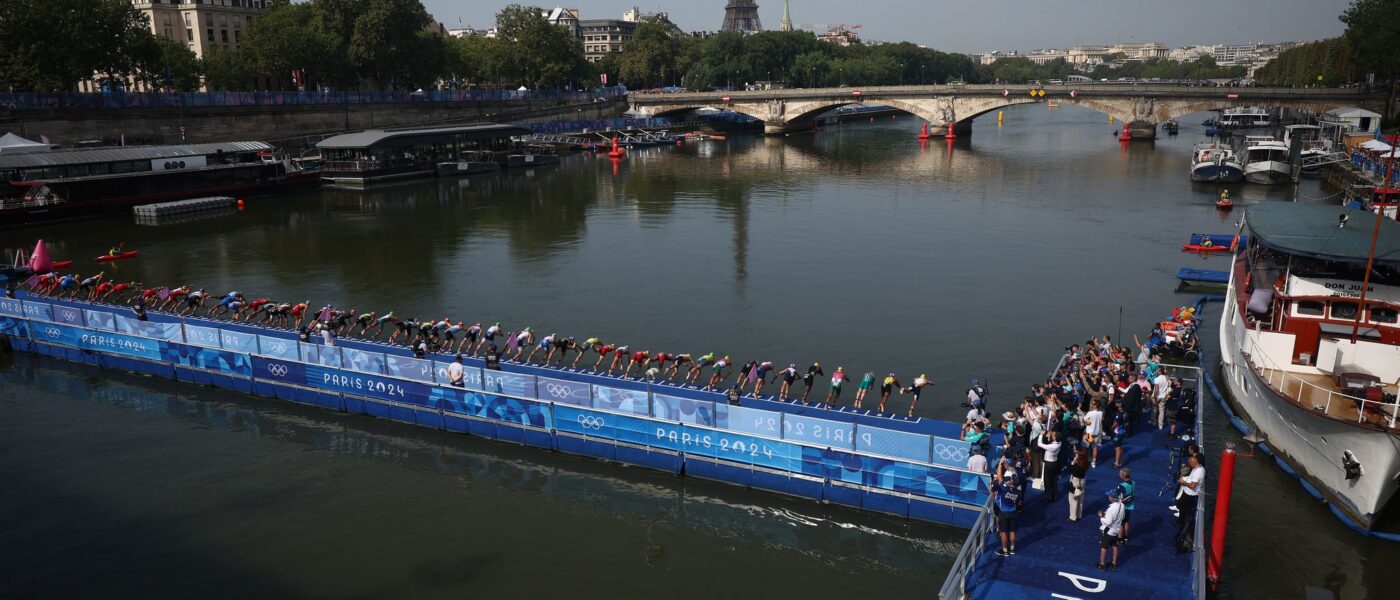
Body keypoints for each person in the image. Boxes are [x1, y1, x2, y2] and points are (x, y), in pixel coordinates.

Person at [992, 470, 1021, 556]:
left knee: (1003, 532)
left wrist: (1000, 463)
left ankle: (1005, 550)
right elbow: (1019, 503)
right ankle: (1012, 549)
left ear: (1011, 481)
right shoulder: (1018, 493)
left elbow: (999, 478)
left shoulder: (1004, 488)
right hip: (1013, 512)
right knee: (1012, 531)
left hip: (1003, 513)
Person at [1174, 454, 1205, 537]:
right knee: (1180, 506)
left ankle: (1182, 528)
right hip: (1186, 492)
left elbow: (1193, 486)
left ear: (1197, 461)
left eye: (1191, 461)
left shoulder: (1199, 472)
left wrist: (1183, 482)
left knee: (1185, 511)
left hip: (1190, 495)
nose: (1190, 463)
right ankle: (1179, 521)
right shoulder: (1196, 468)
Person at [1097, 488, 1125, 570]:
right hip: (1116, 530)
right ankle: (1114, 563)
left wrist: (1101, 517)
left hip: (1107, 531)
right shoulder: (1122, 505)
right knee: (1114, 546)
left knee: (1104, 547)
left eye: (1109, 496)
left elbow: (1108, 522)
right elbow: (1122, 517)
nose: (1108, 497)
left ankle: (1102, 564)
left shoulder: (1111, 509)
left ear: (1113, 498)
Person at [1038, 431, 1063, 501]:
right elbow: (1051, 441)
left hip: (1049, 464)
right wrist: (1049, 437)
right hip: (1054, 463)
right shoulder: (1059, 443)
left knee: (1047, 480)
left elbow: (1039, 444)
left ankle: (1048, 496)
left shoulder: (1052, 446)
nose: (1052, 434)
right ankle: (1054, 494)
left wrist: (1041, 435)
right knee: (1054, 480)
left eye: (1053, 435)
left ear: (1055, 437)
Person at [1067, 448, 1089, 522]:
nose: (1075, 455)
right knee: (1080, 499)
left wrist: (1073, 462)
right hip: (1083, 481)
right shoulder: (1086, 463)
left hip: (1075, 481)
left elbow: (1070, 469)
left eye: (1077, 454)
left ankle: (1073, 517)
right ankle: (1079, 514)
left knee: (1073, 499)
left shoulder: (1077, 466)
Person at [1083, 400, 1104, 468]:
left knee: (1085, 446)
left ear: (1095, 405)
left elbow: (1084, 421)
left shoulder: (1090, 413)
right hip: (1096, 433)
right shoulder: (1101, 413)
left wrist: (1089, 422)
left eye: (1093, 404)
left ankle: (1085, 459)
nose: (1091, 405)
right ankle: (1093, 462)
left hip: (1089, 433)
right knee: (1094, 447)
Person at [1117, 468, 1136, 543]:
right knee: (1126, 522)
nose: (1119, 475)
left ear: (1123, 475)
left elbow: (1118, 496)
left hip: (1122, 507)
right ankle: (1126, 537)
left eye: (1120, 474)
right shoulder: (1134, 483)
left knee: (1121, 523)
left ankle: (1119, 538)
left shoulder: (1122, 485)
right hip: (1129, 506)